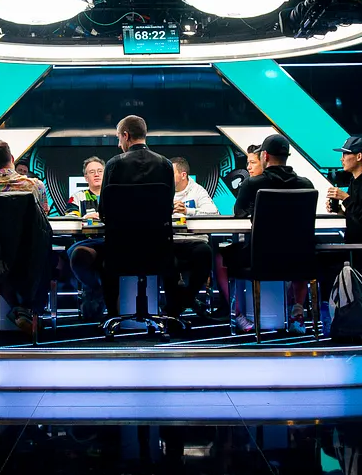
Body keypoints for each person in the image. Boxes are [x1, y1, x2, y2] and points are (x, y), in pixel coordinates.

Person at [228, 133, 313, 334]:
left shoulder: (252, 184)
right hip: (298, 259)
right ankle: (297, 312)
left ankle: (238, 315)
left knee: (223, 256)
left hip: (261, 258)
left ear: (265, 156)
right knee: (303, 250)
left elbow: (239, 214)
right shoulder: (305, 185)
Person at [0, 139, 53, 333]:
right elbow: (43, 216)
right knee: (44, 259)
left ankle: (17, 309)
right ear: (12, 159)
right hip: (27, 254)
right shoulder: (34, 185)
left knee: (1, 266)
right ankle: (25, 311)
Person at [94, 116, 176, 316]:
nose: (118, 144)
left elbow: (103, 212)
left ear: (126, 135)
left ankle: (112, 314)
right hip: (158, 250)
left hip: (120, 251)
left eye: (118, 138)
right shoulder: (165, 164)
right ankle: (173, 312)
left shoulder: (114, 164)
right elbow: (168, 208)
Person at [169, 157, 217, 317]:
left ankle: (186, 298)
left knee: (204, 253)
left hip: (195, 240)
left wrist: (187, 211)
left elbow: (213, 213)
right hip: (172, 240)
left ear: (183, 175)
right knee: (163, 256)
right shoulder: (164, 190)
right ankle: (179, 303)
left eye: (171, 173)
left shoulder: (197, 191)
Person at [67, 156, 108, 321]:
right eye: (92, 172)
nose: (96, 174)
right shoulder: (77, 197)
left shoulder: (113, 195)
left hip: (110, 242)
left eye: (100, 171)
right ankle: (96, 288)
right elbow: (70, 218)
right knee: (78, 255)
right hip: (86, 242)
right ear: (85, 177)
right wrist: (85, 217)